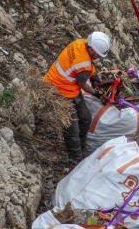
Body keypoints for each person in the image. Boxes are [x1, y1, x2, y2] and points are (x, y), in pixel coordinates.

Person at [44, 31, 111, 165]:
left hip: (67, 86)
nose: (98, 57)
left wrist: (94, 78)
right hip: (59, 91)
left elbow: (84, 68)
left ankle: (81, 148)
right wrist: (95, 93)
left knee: (86, 118)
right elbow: (83, 85)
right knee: (72, 129)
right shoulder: (83, 64)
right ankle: (75, 161)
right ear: (91, 49)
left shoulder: (80, 43)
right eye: (98, 54)